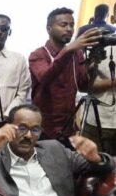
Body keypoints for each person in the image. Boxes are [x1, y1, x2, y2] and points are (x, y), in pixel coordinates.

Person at [29, 8, 101, 145]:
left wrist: (92, 68)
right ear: (49, 28)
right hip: (43, 129)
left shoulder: (76, 54)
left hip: (68, 127)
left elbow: (83, 86)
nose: (69, 29)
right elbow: (45, 78)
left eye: (72, 25)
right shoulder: (38, 55)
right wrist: (68, 50)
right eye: (63, 25)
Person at [81, 45, 116, 154]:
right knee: (92, 161)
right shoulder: (98, 44)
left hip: (103, 119)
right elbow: (83, 85)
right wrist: (113, 83)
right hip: (98, 120)